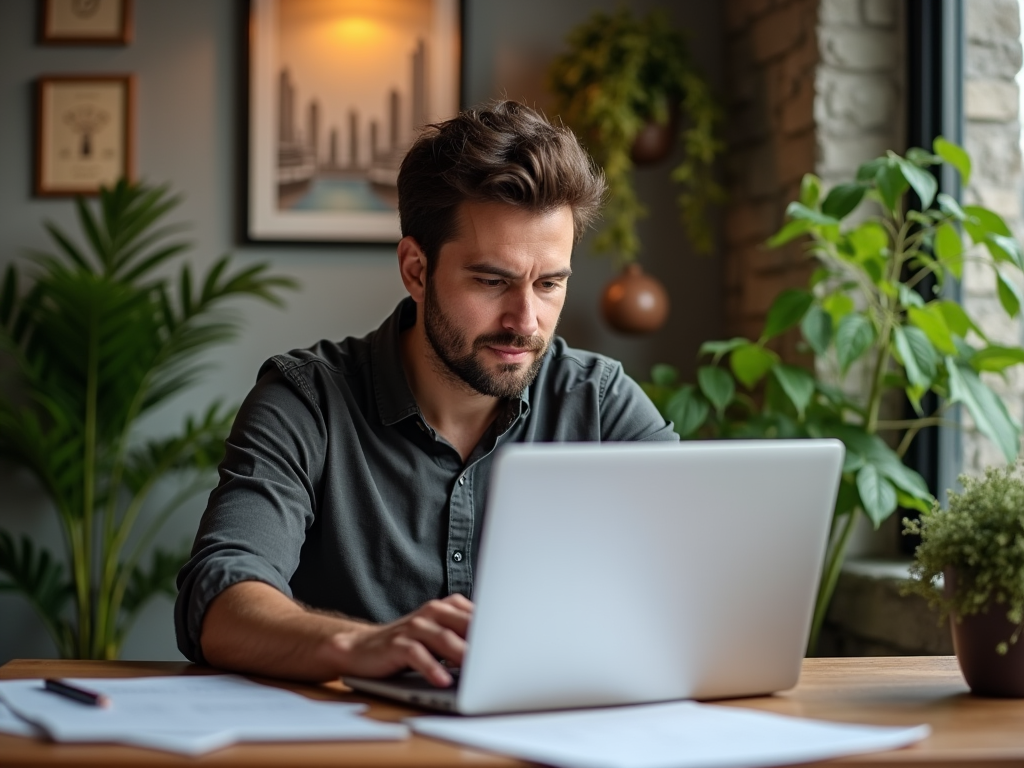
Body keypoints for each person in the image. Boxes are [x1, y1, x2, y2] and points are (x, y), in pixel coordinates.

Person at [174, 100, 678, 687]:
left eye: (549, 284)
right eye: (493, 281)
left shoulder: (600, 402)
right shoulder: (306, 401)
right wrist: (359, 645)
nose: (526, 320)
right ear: (416, 270)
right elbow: (221, 596)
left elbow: (696, 574)